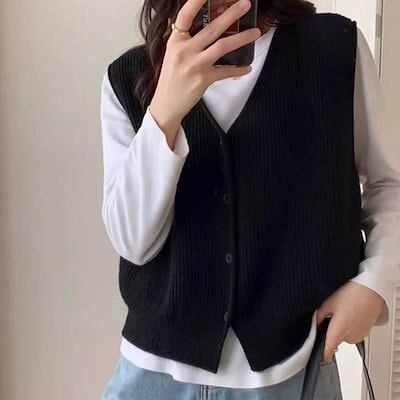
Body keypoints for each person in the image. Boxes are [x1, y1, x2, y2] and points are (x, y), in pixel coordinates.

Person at [99, 0, 400, 398]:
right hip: (151, 377)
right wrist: (164, 112)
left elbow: (387, 184)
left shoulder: (334, 48)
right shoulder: (127, 77)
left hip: (290, 371)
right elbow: (132, 242)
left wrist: (374, 284)